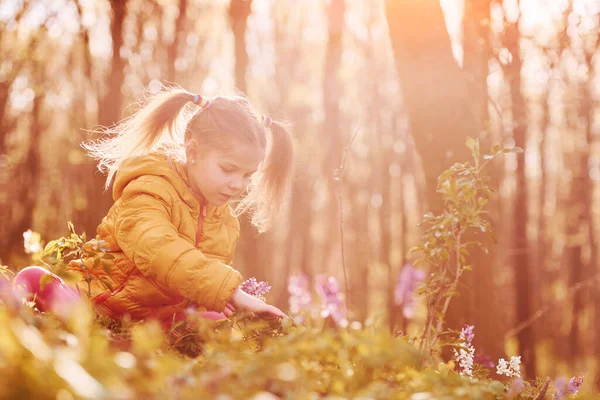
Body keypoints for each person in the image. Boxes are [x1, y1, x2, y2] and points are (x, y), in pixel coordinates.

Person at [14, 87, 293, 327]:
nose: (237, 185)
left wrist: (228, 307)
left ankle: (135, 346)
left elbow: (200, 284)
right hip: (101, 304)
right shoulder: (149, 189)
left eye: (247, 176)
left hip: (158, 322)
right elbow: (158, 247)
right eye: (228, 169)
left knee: (217, 325)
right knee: (34, 279)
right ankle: (80, 322)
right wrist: (231, 291)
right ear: (193, 151)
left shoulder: (225, 222)